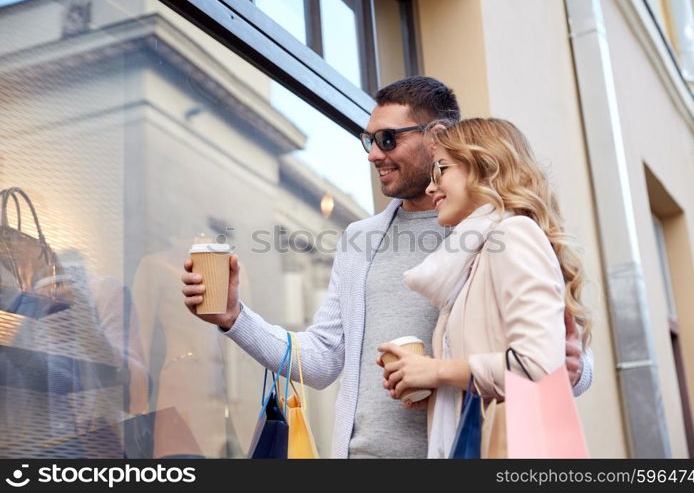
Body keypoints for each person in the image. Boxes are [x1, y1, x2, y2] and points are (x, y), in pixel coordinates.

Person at [181, 77, 593, 458]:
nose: (374, 153)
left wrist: (567, 368)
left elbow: (559, 361)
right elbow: (323, 359)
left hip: (465, 451)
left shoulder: (496, 231)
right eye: (369, 140)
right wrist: (234, 319)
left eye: (387, 139)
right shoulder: (360, 240)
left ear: (437, 138)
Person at [379, 117, 593, 457]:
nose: (431, 187)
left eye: (441, 171)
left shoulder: (513, 235)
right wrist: (437, 388)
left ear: (483, 167)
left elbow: (538, 367)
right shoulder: (474, 258)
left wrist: (437, 370)